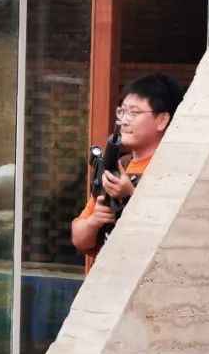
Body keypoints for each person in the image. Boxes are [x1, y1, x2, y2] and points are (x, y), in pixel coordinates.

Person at [71, 72, 184, 255]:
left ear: (162, 120)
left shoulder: (175, 170)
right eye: (122, 111)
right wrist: (95, 220)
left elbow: (168, 235)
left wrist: (129, 195)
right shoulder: (119, 165)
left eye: (134, 112)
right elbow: (79, 239)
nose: (123, 120)